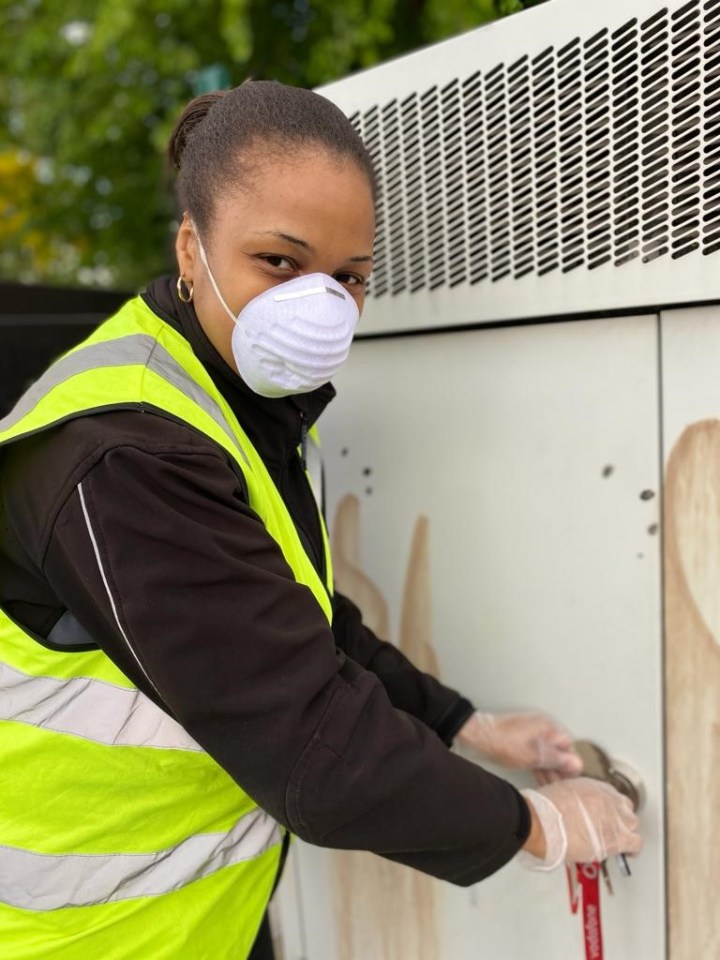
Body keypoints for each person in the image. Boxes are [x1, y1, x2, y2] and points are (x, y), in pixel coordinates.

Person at [0, 80, 641, 960]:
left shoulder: (225, 395)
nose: (321, 305)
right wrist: (534, 826)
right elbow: (311, 746)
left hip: (190, 917)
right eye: (279, 261)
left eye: (349, 277)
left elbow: (286, 622)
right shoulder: (129, 456)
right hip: (79, 939)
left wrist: (463, 724)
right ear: (192, 247)